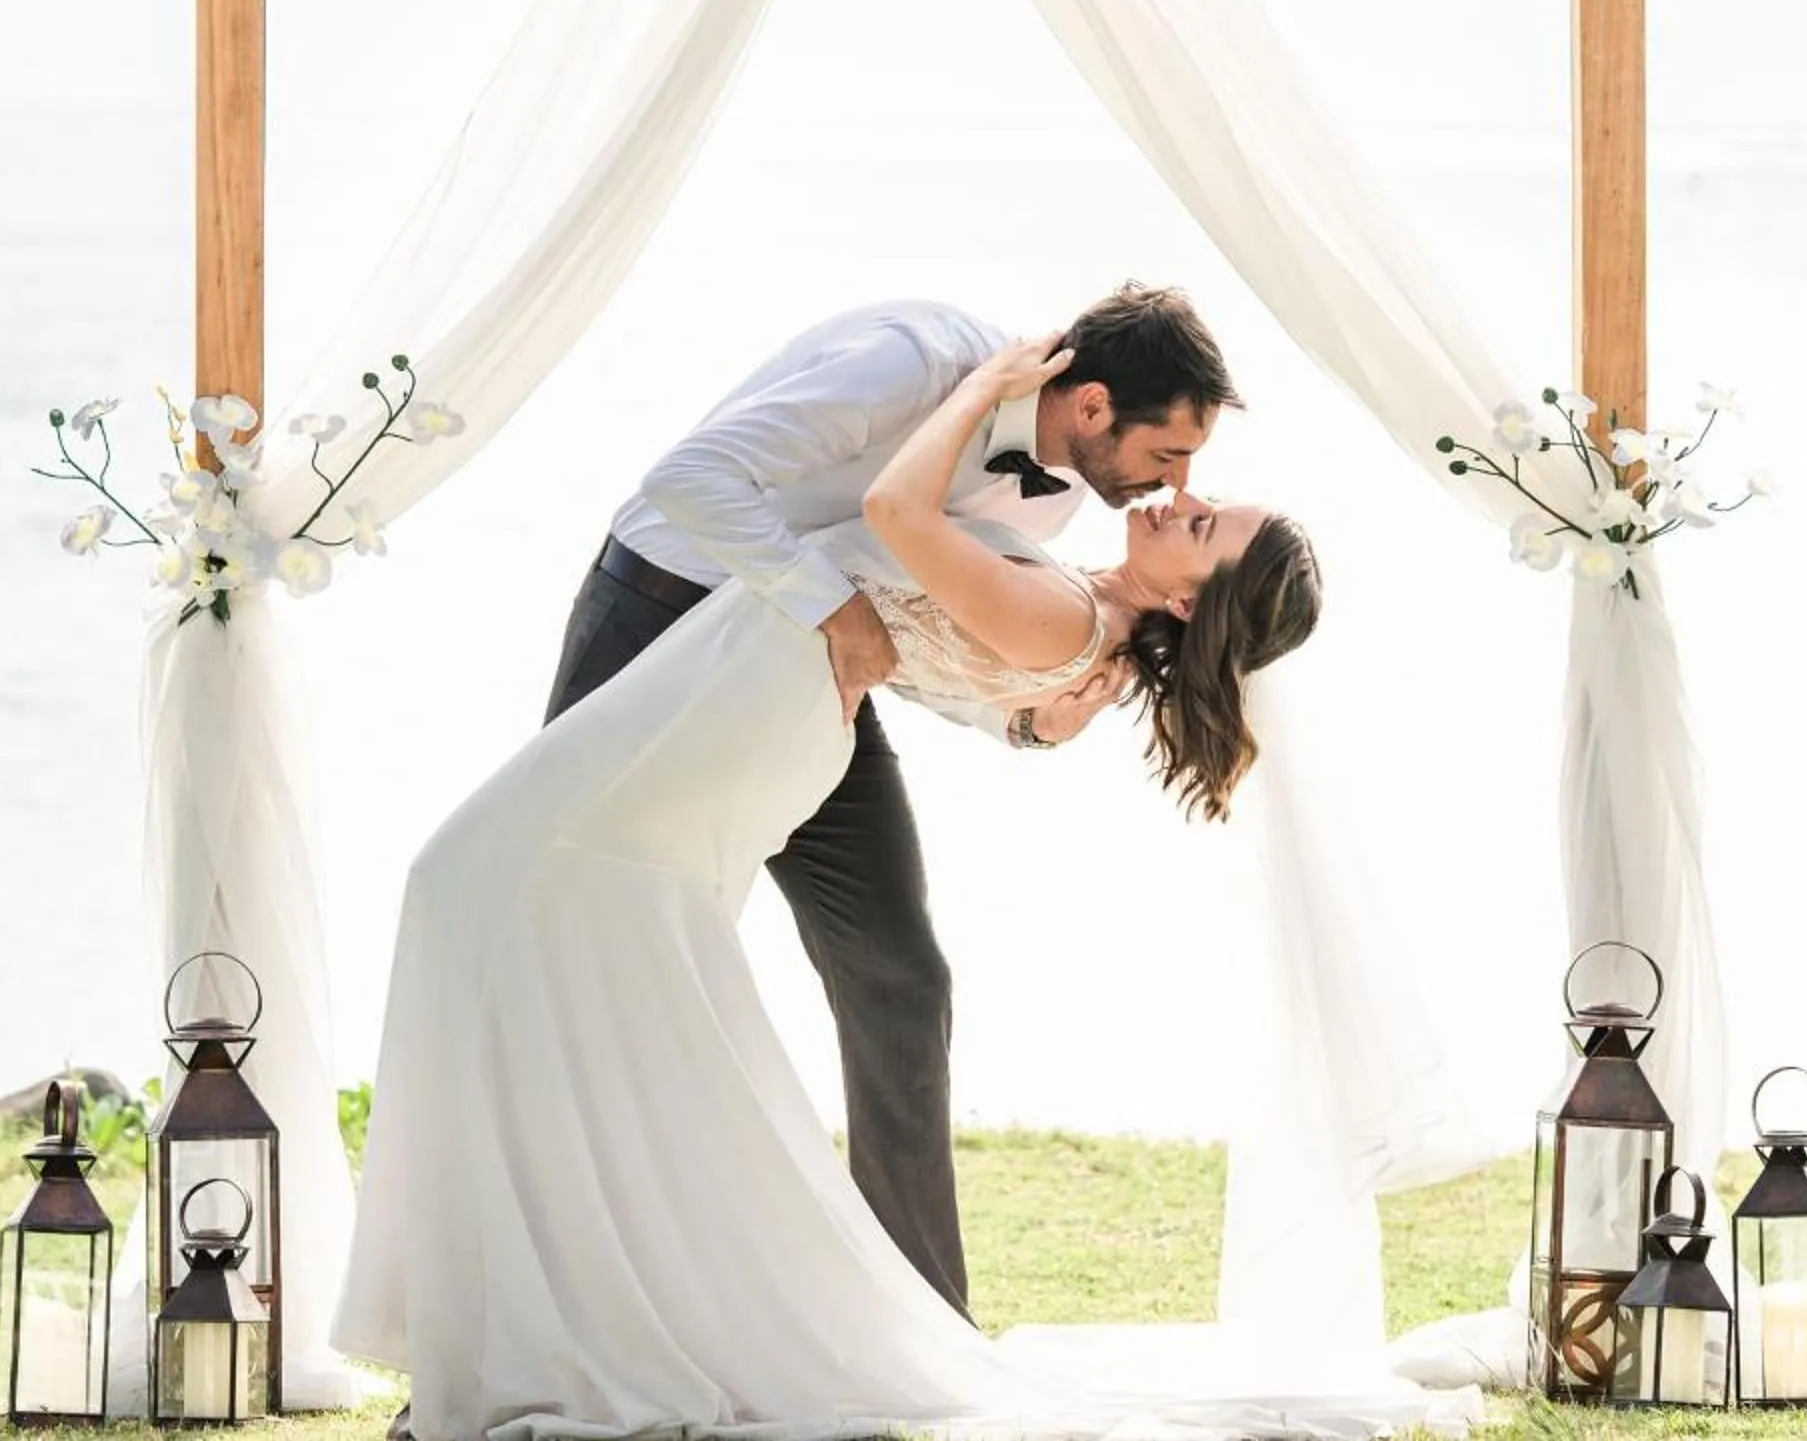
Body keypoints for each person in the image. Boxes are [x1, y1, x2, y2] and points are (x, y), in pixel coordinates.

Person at [332, 317, 1335, 1440]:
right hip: (678, 617)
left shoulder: (1062, 532)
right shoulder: (916, 365)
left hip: (781, 693)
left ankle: (892, 1319)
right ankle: (524, 1313)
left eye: (1195, 504)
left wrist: (1015, 708)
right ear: (1095, 406)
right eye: (1174, 464)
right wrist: (992, 684)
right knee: (531, 930)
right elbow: (709, 489)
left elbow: (907, 565)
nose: (1176, 488)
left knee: (835, 969)